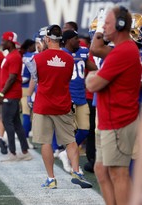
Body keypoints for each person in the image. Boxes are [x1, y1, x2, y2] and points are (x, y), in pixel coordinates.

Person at [86, 6, 141, 205]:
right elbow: (95, 48)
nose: (102, 28)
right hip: (109, 118)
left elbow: (93, 84)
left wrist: (92, 77)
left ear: (119, 25)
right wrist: (102, 28)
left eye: (106, 23)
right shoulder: (121, 49)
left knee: (119, 172)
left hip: (118, 119)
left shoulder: (124, 51)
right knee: (101, 169)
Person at [26, 24, 92, 189]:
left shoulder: (37, 59)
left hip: (43, 105)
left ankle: (51, 178)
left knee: (46, 142)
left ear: (47, 39)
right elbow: (67, 78)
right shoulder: (69, 58)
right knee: (70, 141)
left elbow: (36, 78)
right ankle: (76, 171)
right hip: (63, 103)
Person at [59, 30, 98, 173]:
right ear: (69, 40)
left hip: (81, 97)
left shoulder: (82, 52)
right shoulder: (61, 53)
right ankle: (74, 165)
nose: (79, 41)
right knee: (69, 132)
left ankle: (66, 154)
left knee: (85, 129)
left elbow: (93, 68)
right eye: (76, 38)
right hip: (67, 97)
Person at [0, 31, 32, 162]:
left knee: (7, 122)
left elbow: (12, 78)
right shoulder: (11, 55)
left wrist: (2, 93)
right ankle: (25, 151)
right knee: (16, 123)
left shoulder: (14, 56)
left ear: (10, 42)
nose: (2, 42)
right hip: (10, 93)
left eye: (4, 40)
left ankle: (13, 152)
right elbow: (6, 77)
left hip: (11, 95)